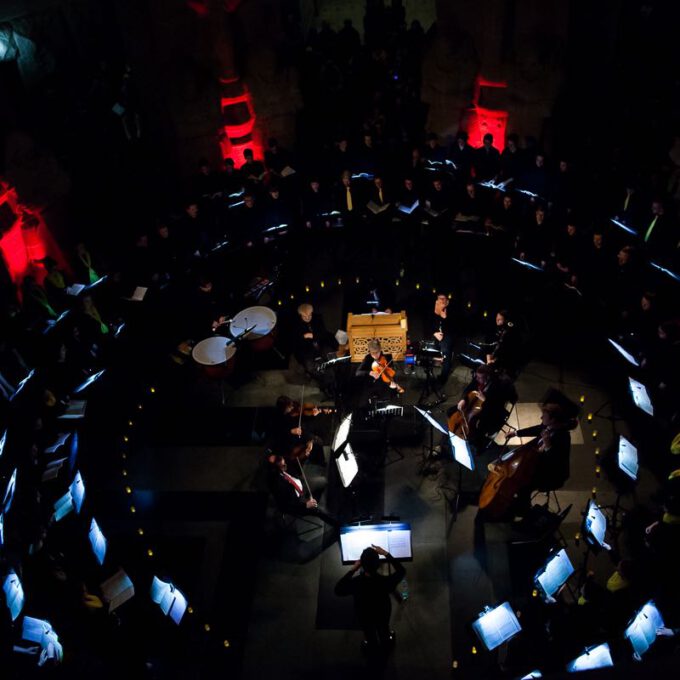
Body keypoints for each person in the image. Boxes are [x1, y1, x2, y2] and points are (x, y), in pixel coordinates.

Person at [334, 545, 405, 652]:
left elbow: (338, 590)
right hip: (382, 613)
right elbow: (401, 571)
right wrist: (386, 554)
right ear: (377, 564)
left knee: (369, 632)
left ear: (361, 564)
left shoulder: (356, 583)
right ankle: (386, 645)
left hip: (364, 615)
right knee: (383, 629)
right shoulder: (385, 582)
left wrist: (352, 570)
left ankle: (372, 648)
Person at [266, 453, 337, 528]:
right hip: (298, 501)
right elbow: (288, 505)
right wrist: (306, 505)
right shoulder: (278, 485)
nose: (285, 464)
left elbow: (294, 460)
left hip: (302, 484)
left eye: (283, 461)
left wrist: (303, 455)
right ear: (274, 469)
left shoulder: (283, 462)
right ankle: (339, 525)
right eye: (283, 465)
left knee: (323, 480)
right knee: (319, 510)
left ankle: (316, 499)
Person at [430, 293, 454, 386]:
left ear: (447, 301)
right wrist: (434, 333)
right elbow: (431, 323)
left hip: (448, 335)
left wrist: (445, 318)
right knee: (430, 350)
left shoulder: (451, 311)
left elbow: (454, 328)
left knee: (446, 351)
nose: (441, 301)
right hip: (437, 335)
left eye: (443, 299)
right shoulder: (435, 310)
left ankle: (443, 377)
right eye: (439, 299)